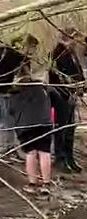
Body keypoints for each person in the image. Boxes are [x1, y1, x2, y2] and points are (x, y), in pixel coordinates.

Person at [10, 65, 63, 194]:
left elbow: (11, 110)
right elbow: (58, 100)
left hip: (25, 126)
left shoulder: (14, 92)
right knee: (45, 153)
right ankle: (46, 183)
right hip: (44, 123)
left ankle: (32, 184)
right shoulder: (43, 87)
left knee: (31, 153)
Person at [48, 28, 85, 173]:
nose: (77, 42)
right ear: (69, 38)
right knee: (61, 127)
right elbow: (56, 78)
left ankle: (70, 157)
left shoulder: (71, 52)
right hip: (61, 96)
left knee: (71, 127)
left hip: (72, 94)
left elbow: (78, 71)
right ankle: (59, 158)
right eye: (75, 39)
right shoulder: (56, 54)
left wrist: (82, 85)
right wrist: (69, 89)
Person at [0, 35, 37, 153]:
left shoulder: (12, 53)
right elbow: (25, 76)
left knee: (9, 121)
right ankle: (7, 148)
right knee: (8, 121)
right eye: (33, 47)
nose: (33, 51)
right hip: (5, 92)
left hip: (8, 91)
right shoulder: (14, 55)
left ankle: (9, 147)